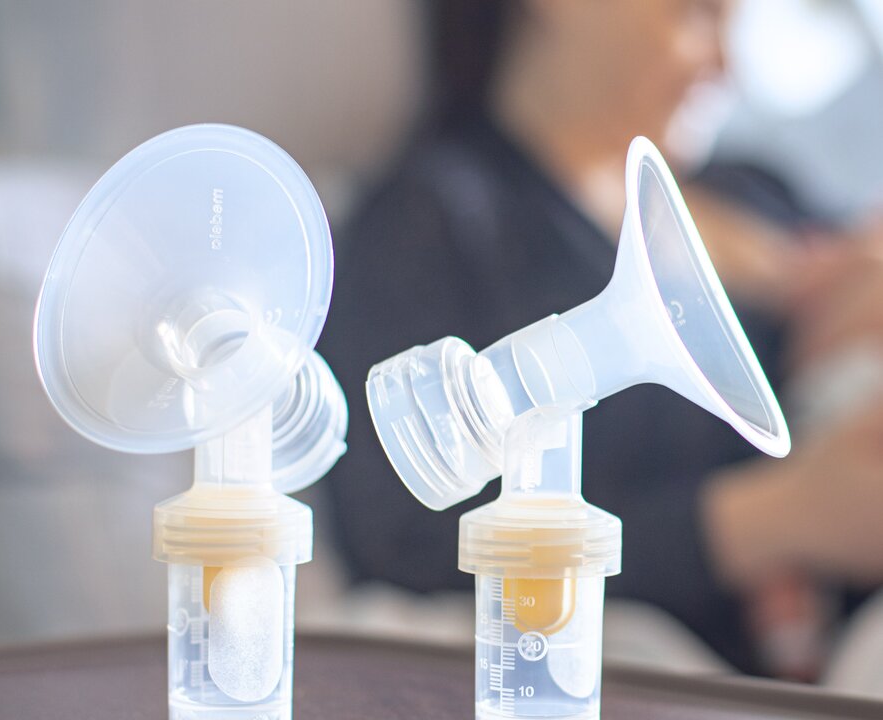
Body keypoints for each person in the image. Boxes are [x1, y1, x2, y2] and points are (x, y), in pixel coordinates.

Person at [319, 0, 883, 678]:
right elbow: (401, 549)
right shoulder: (436, 223)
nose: (728, 64)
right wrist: (774, 518)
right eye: (696, 15)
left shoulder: (759, 192)